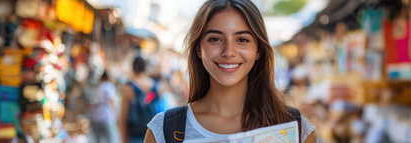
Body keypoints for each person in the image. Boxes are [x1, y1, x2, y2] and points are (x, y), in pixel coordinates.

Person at [144, 0, 316, 143]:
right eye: (215, 39)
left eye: (242, 39)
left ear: (258, 51)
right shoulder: (164, 130)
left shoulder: (295, 129)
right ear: (198, 49)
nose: (228, 52)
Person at [119, 56, 157, 143]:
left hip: (135, 131)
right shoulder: (153, 85)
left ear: (133, 68)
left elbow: (123, 115)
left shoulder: (129, 87)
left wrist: (123, 138)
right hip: (152, 129)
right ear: (145, 68)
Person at [88, 71, 120, 143]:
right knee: (110, 139)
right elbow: (111, 101)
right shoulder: (109, 86)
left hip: (95, 116)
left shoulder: (98, 87)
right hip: (106, 116)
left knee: (98, 139)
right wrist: (117, 113)